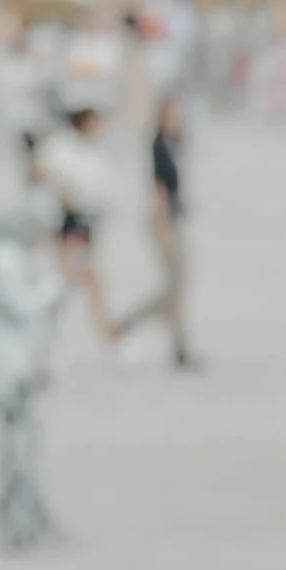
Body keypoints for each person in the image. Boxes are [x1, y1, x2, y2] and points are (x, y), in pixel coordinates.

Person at [0, 185, 68, 551]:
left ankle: (29, 517)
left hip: (17, 362)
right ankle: (16, 521)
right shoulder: (2, 260)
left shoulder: (19, 257)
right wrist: (56, 286)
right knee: (17, 444)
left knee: (26, 444)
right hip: (3, 365)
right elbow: (22, 308)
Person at [117, 90, 203, 368]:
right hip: (163, 222)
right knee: (173, 288)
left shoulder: (172, 144)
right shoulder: (159, 147)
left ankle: (176, 344)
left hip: (171, 221)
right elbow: (157, 192)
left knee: (175, 288)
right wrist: (161, 228)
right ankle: (131, 324)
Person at [32, 99, 116, 342]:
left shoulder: (93, 148)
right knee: (84, 279)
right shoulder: (62, 145)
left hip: (88, 223)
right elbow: (39, 167)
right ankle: (108, 336)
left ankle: (44, 329)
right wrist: (61, 190)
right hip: (71, 224)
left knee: (68, 280)